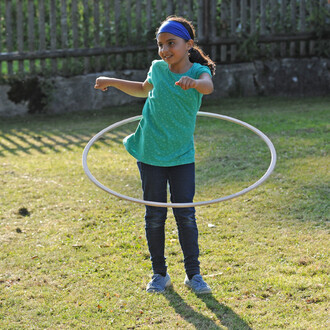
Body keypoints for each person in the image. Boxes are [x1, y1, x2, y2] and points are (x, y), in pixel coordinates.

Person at [94, 16, 215, 294]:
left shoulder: (198, 72)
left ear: (188, 45)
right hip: (150, 153)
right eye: (161, 45)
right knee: (154, 216)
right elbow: (142, 89)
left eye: (171, 43)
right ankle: (159, 274)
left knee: (185, 215)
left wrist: (194, 83)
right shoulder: (158, 69)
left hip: (182, 156)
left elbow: (208, 86)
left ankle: (193, 275)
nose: (164, 50)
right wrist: (110, 81)